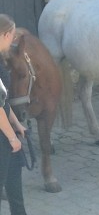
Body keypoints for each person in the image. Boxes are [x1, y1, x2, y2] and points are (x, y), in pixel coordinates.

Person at [0, 14, 28, 215]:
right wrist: (11, 137)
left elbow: (3, 100)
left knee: (15, 188)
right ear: (5, 34)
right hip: (2, 138)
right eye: (12, 36)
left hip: (6, 133)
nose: (13, 40)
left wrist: (16, 123)